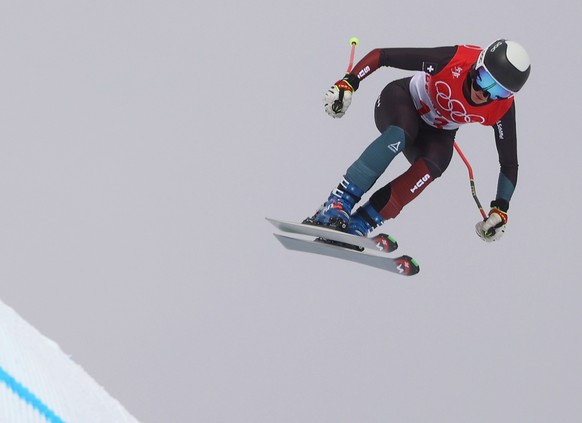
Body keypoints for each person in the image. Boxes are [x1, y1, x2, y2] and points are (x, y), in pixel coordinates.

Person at [303, 39, 530, 242]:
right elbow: (382, 55)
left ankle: (362, 222)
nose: (485, 94)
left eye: (498, 91)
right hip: (401, 101)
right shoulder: (453, 60)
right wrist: (349, 83)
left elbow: (509, 163)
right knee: (404, 131)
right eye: (484, 79)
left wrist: (500, 209)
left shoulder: (502, 109)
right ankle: (338, 202)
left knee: (437, 162)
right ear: (476, 65)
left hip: (436, 132)